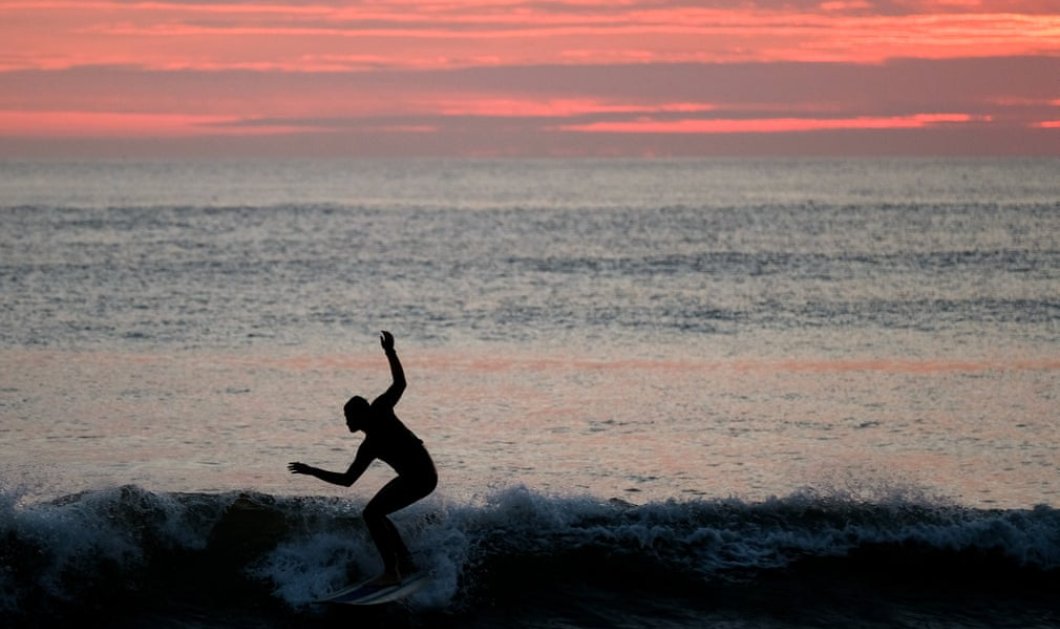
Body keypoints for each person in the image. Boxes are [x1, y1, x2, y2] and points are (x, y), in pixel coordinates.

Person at [288, 330, 437, 587]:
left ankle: (393, 571)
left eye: (348, 416)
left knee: (372, 514)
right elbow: (348, 480)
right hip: (418, 477)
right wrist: (312, 471)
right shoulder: (368, 446)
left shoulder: (380, 409)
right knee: (376, 514)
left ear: (360, 414)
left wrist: (390, 352)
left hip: (422, 474)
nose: (346, 421)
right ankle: (405, 562)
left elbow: (400, 384)